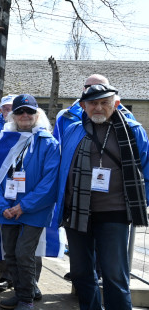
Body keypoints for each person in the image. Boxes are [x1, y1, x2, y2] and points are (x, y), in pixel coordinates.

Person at [57, 84, 149, 310]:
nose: (98, 108)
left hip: (114, 213)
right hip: (77, 211)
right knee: (80, 272)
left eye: (104, 102)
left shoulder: (133, 130)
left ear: (116, 104)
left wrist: (141, 201)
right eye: (93, 103)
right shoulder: (73, 130)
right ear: (83, 106)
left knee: (114, 274)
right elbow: (61, 167)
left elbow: (146, 169)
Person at [0, 94, 60, 310]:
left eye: (29, 111)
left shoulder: (49, 143)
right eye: (20, 111)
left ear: (37, 114)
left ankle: (27, 298)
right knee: (9, 253)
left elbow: (50, 181)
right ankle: (18, 294)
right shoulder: (5, 141)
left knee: (24, 253)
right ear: (13, 115)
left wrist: (23, 206)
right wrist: (1, 206)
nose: (25, 115)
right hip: (7, 209)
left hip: (34, 211)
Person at [53, 74, 135, 144]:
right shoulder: (66, 116)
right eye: (89, 87)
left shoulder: (127, 117)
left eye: (101, 87)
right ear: (83, 90)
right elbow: (58, 148)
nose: (96, 91)